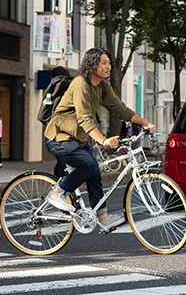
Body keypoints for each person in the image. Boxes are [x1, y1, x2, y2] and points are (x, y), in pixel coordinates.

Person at [44, 47, 156, 232]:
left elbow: (120, 109)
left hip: (76, 139)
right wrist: (103, 140)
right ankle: (57, 193)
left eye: (109, 63)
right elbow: (84, 119)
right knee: (89, 165)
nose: (108, 66)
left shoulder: (103, 86)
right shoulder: (80, 84)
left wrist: (145, 122)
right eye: (103, 63)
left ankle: (102, 217)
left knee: (94, 171)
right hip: (58, 137)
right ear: (93, 65)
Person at [46, 66, 73, 178]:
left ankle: (57, 190)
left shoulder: (54, 89)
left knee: (62, 165)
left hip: (52, 134)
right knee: (66, 165)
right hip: (64, 135)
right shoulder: (69, 88)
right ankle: (59, 191)